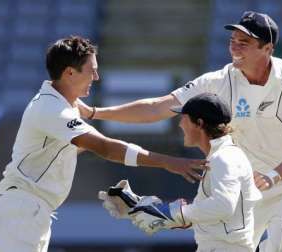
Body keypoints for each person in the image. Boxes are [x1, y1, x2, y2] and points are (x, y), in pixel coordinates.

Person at [80, 11, 282, 251]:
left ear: (267, 49)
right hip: (247, 189)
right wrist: (94, 113)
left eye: (245, 42)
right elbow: (157, 108)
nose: (235, 48)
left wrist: (271, 177)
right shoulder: (218, 81)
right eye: (233, 41)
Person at [0, 36, 207, 252]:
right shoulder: (53, 109)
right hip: (22, 211)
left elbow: (86, 148)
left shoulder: (62, 104)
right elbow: (105, 148)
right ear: (69, 73)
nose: (97, 76)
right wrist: (167, 162)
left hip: (28, 212)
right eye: (91, 70)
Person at [100, 93, 262, 252]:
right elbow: (211, 216)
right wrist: (140, 208)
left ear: (199, 123)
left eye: (184, 118)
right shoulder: (221, 156)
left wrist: (170, 213)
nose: (180, 125)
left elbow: (223, 206)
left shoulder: (225, 157)